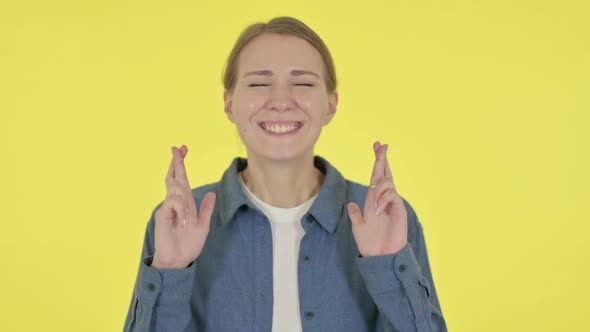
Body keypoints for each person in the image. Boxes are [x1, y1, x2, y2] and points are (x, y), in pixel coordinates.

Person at [123, 16, 447, 332]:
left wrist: (388, 267)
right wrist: (169, 273)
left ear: (331, 104)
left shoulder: (383, 215)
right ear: (229, 103)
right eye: (259, 83)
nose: (280, 101)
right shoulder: (179, 219)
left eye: (303, 83)